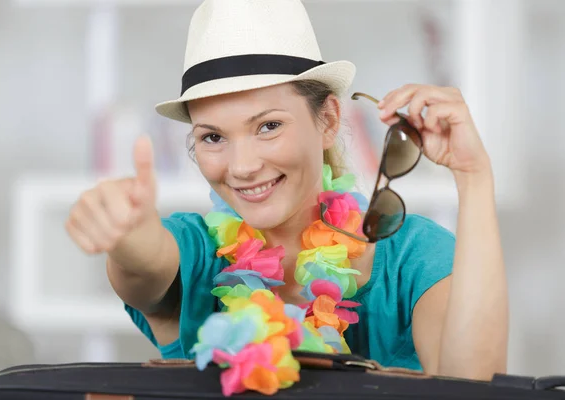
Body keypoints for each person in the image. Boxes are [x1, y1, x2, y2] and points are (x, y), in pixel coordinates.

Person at [65, 0, 508, 382]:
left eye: (269, 126)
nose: (242, 166)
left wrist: (474, 176)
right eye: (213, 137)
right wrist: (126, 232)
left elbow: (472, 385)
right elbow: (144, 265)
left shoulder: (415, 258)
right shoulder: (197, 254)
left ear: (329, 120)